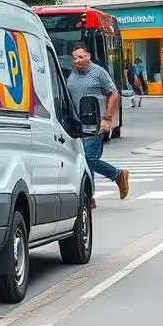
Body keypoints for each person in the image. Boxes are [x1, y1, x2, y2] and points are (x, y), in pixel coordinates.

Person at [65, 43, 131, 205]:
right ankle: (90, 198)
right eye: (74, 58)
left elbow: (113, 93)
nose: (77, 61)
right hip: (79, 124)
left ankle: (117, 175)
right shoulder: (72, 73)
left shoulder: (98, 72)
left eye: (81, 57)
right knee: (89, 159)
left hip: (96, 123)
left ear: (89, 56)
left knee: (89, 159)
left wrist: (108, 118)